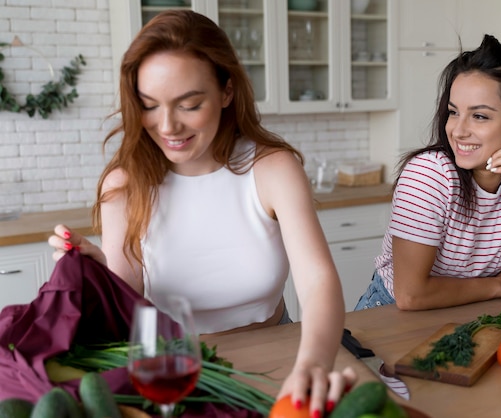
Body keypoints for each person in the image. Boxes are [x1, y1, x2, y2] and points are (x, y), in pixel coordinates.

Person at [48, 10, 354, 416]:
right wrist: (100, 272)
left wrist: (313, 362)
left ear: (226, 91)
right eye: (150, 106)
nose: (168, 126)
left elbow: (317, 282)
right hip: (169, 368)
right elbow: (129, 299)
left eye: (189, 104)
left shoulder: (272, 169)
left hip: (277, 353)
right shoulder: (124, 184)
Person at [355, 34, 501, 311]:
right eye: (454, 112)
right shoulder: (428, 176)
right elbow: (411, 295)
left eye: (479, 116)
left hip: (477, 309)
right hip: (391, 312)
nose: (457, 130)